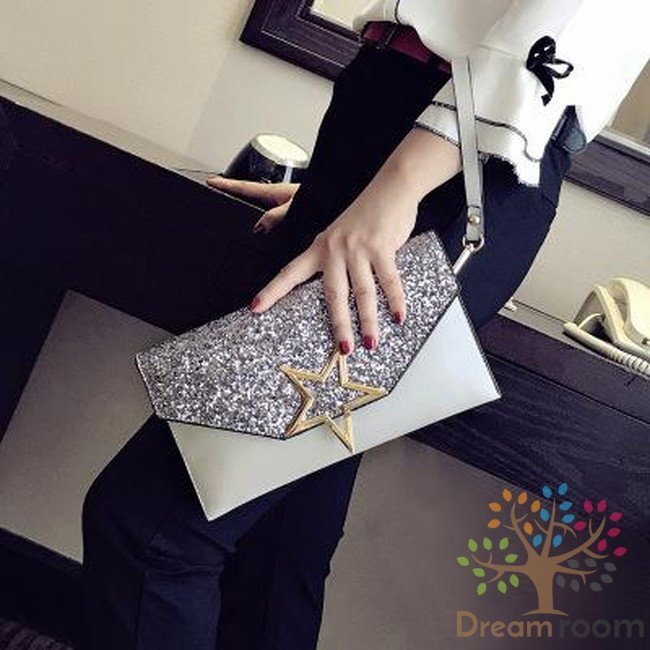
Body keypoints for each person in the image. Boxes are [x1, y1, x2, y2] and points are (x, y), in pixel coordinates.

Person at [80, 1, 649, 648]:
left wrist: (396, 190)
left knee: (150, 529)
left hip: (453, 164)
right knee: (272, 553)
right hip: (407, 137)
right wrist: (353, 191)